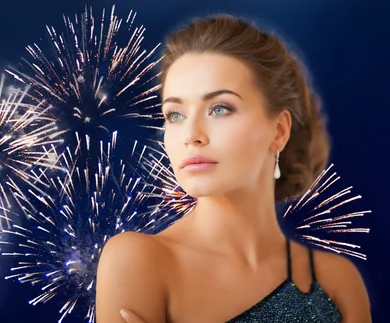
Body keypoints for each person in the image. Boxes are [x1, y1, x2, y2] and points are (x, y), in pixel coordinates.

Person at [95, 14, 371, 323]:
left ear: (279, 130)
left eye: (219, 108)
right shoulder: (139, 261)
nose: (191, 135)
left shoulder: (336, 283)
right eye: (174, 115)